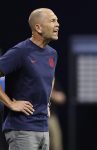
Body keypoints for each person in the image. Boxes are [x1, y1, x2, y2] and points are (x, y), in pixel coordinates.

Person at [0, 8, 59, 150]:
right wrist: (10, 103)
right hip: (22, 128)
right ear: (38, 27)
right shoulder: (21, 51)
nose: (57, 24)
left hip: (43, 128)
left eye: (57, 21)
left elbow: (50, 78)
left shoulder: (52, 54)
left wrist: (48, 103)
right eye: (52, 21)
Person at [48, 80, 66, 150]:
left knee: (56, 143)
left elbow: (62, 98)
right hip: (36, 117)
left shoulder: (53, 81)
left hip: (51, 117)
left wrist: (49, 93)